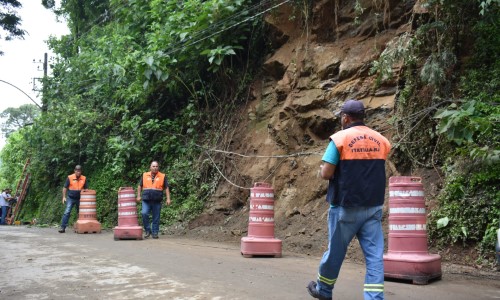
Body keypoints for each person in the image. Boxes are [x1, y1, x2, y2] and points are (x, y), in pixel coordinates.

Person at [307, 99, 391, 300]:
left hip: (345, 208)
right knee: (374, 257)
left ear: (345, 118)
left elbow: (327, 173)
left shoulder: (339, 139)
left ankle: (324, 290)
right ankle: (374, 297)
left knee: (335, 252)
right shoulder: (381, 140)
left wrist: (321, 171)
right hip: (373, 207)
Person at [136, 161, 171, 239]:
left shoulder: (163, 176)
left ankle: (155, 232)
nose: (155, 168)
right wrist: (138, 196)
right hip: (146, 200)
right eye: (153, 166)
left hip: (157, 200)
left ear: (158, 167)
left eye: (156, 166)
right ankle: (148, 230)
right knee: (144, 213)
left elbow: (166, 188)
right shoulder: (144, 175)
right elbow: (139, 186)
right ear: (150, 167)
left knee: (156, 217)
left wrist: (168, 198)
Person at [59, 165, 88, 233]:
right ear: (74, 171)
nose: (78, 172)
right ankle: (63, 227)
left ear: (81, 171)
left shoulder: (84, 178)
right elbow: (65, 188)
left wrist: (86, 198)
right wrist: (64, 197)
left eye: (79, 171)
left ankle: (80, 227)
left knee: (80, 213)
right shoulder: (70, 177)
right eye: (77, 171)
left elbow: (86, 189)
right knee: (67, 212)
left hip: (80, 198)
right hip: (70, 198)